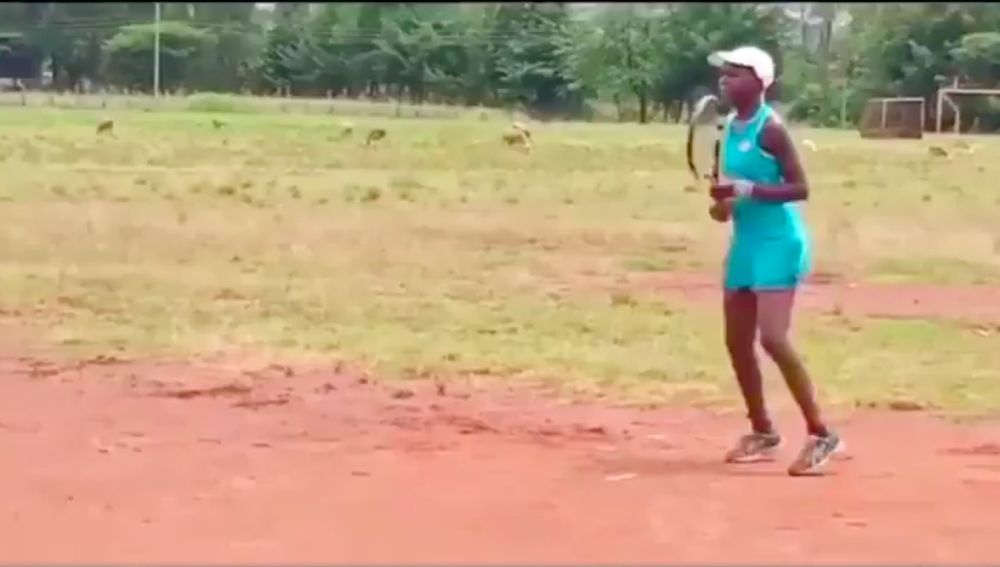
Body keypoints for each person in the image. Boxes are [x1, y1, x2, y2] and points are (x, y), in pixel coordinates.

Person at [706, 46, 845, 476]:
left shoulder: (772, 129)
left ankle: (822, 434)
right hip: (746, 243)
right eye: (723, 75)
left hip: (780, 242)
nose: (724, 81)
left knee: (772, 338)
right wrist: (723, 203)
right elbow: (723, 201)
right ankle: (763, 431)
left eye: (734, 75)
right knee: (736, 341)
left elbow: (800, 188)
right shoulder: (728, 128)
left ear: (759, 82)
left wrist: (748, 190)